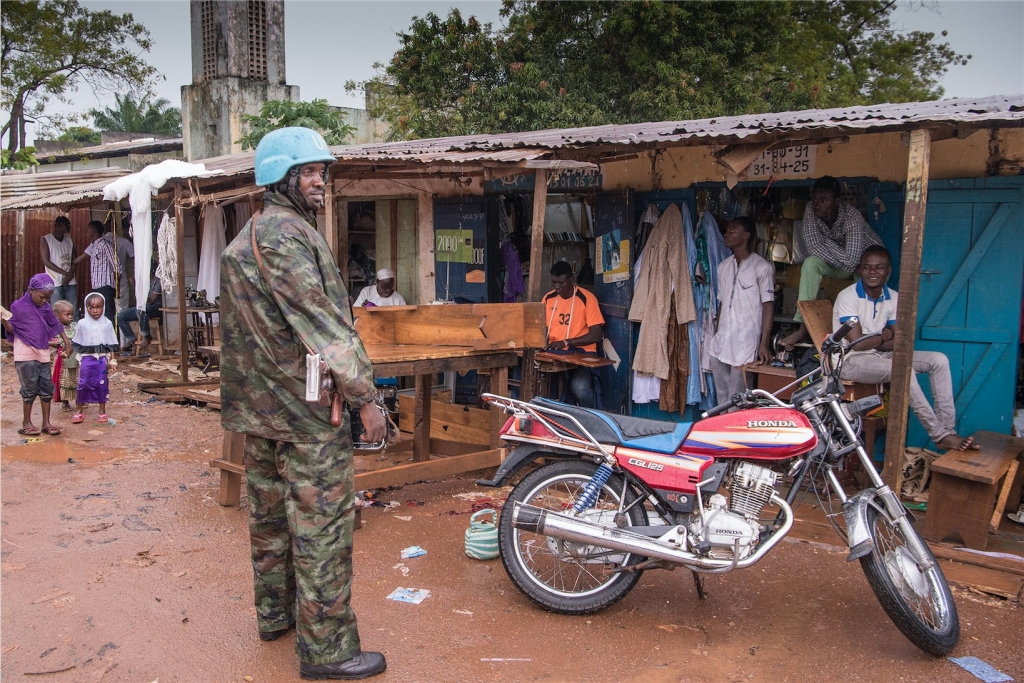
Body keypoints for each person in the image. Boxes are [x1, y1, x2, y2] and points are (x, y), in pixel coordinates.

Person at [219, 127, 387, 681]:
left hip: (260, 413)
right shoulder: (287, 237)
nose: (321, 181)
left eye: (322, 171)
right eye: (311, 172)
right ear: (282, 177)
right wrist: (365, 397)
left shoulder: (246, 238)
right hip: (305, 416)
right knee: (322, 530)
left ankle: (275, 616)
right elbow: (322, 326)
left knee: (268, 522)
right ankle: (329, 651)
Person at [833, 245, 977, 452]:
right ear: (859, 270)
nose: (872, 273)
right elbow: (858, 344)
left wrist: (879, 339)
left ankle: (947, 430)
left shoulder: (894, 297)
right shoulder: (848, 296)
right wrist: (886, 334)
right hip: (850, 360)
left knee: (939, 360)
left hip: (880, 355)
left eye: (879, 268)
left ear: (888, 271)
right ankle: (938, 434)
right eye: (867, 268)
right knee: (902, 370)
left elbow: (901, 342)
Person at [782, 176, 883, 347]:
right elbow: (814, 247)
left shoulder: (852, 217)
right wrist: (835, 250)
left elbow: (853, 259)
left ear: (836, 201)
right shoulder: (810, 210)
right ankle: (803, 326)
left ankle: (861, 335)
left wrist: (826, 243)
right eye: (814, 199)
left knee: (864, 279)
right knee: (811, 263)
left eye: (823, 200)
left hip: (868, 265)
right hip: (846, 263)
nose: (817, 204)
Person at [708, 217, 775, 401]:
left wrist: (764, 343)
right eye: (727, 230)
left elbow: (768, 305)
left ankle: (735, 429)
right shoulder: (723, 266)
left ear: (746, 236)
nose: (727, 234)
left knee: (738, 398)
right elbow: (721, 301)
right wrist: (717, 333)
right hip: (721, 341)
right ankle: (722, 429)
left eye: (733, 231)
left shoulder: (762, 267)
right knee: (721, 398)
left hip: (745, 343)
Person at [2, 274, 69, 436]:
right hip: (24, 354)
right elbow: (13, 329)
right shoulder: (18, 306)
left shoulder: (45, 307)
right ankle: (27, 422)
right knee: (29, 388)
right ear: (31, 291)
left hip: (42, 353)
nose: (45, 301)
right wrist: (4, 320)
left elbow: (54, 323)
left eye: (48, 298)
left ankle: (46, 423)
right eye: (42, 297)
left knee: (46, 387)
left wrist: (67, 341)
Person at [543, 260, 605, 408]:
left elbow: (596, 335)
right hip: (556, 353)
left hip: (582, 353)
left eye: (561, 283)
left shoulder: (587, 299)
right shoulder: (548, 298)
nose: (557, 287)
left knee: (579, 388)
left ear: (571, 279)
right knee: (543, 386)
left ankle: (591, 418)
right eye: (554, 283)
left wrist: (565, 342)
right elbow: (540, 327)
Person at [71, 292, 119, 424]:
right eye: (91, 307)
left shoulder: (107, 323)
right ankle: (80, 410)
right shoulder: (82, 324)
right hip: (87, 359)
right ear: (87, 308)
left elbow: (110, 343)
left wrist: (112, 361)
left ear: (103, 307)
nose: (95, 310)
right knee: (83, 383)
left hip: (101, 360)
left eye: (99, 307)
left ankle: (102, 410)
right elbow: (77, 342)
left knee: (102, 383)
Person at [72, 221, 118, 326]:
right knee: (98, 314)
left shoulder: (105, 245)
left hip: (105, 286)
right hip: (97, 286)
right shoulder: (93, 246)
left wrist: (117, 281)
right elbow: (79, 258)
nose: (87, 232)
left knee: (108, 314)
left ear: (94, 230)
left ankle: (111, 340)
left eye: (88, 229)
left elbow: (116, 263)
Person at [117, 269, 163, 357]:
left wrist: (137, 288)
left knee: (142, 310)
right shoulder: (144, 281)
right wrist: (135, 286)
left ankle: (146, 336)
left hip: (155, 308)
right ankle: (133, 343)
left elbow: (150, 301)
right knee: (120, 316)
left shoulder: (158, 281)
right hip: (142, 308)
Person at [40, 216, 78, 319]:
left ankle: (74, 333)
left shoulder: (69, 240)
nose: (68, 228)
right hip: (55, 281)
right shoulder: (46, 240)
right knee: (57, 311)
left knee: (73, 310)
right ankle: (57, 334)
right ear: (58, 225)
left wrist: (70, 275)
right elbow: (46, 262)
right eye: (67, 226)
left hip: (71, 281)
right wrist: (66, 274)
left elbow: (75, 260)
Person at [50, 299, 79, 412]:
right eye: (67, 314)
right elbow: (51, 341)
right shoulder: (55, 329)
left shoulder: (76, 326)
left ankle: (79, 399)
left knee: (77, 378)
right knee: (64, 379)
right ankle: (65, 402)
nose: (70, 317)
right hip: (63, 359)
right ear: (57, 316)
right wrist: (59, 344)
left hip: (76, 357)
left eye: (72, 314)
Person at [103, 224, 135, 314]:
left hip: (106, 282)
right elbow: (134, 256)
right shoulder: (124, 242)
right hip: (121, 280)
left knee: (108, 309)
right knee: (123, 309)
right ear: (115, 228)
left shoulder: (100, 243)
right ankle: (122, 328)